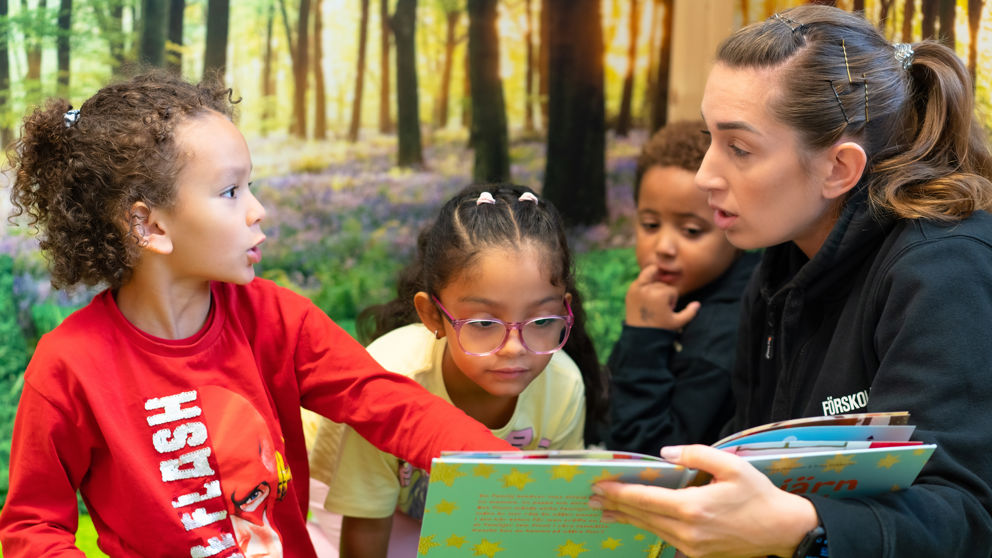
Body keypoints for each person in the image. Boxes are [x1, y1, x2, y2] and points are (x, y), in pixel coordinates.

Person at [0, 71, 515, 558]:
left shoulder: (275, 317)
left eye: (251, 186)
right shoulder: (68, 366)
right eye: (230, 192)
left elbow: (388, 404)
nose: (257, 209)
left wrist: (510, 473)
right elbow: (32, 526)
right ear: (148, 225)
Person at [588, 5, 992, 558]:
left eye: (739, 148)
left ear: (838, 169)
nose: (706, 175)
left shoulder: (946, 270)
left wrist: (800, 526)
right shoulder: (776, 263)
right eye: (710, 138)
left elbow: (965, 518)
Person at [307, 184, 607, 558]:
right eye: (483, 324)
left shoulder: (562, 384)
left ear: (564, 309)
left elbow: (551, 515)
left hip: (459, 512)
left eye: (542, 320)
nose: (514, 347)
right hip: (351, 499)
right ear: (433, 314)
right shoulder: (390, 379)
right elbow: (365, 528)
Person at [605, 120, 759, 454]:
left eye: (690, 230)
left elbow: (648, 455)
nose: (664, 247)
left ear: (735, 224)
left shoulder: (720, 337)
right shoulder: (680, 292)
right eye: (650, 224)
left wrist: (644, 336)